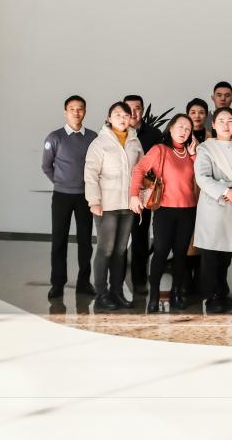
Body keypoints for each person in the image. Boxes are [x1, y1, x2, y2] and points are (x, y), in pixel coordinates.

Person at [128, 113, 198, 312]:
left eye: (187, 129)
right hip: (165, 210)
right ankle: (154, 295)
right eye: (180, 126)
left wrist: (194, 155)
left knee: (181, 255)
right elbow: (139, 170)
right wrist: (134, 195)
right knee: (160, 252)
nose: (184, 131)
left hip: (187, 210)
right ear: (171, 128)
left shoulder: (192, 153)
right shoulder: (160, 150)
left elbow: (200, 177)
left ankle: (176, 293)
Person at [83, 101, 145, 311]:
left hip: (128, 204)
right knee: (106, 249)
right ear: (109, 118)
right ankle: (102, 294)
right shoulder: (100, 143)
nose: (122, 118)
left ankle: (117, 292)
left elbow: (142, 172)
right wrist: (94, 201)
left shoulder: (135, 141)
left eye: (126, 115)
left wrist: (140, 197)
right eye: (117, 114)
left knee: (120, 251)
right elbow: (90, 173)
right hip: (107, 205)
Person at [193, 108, 232, 314]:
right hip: (215, 205)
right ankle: (212, 298)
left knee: (226, 256)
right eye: (221, 121)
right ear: (213, 124)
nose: (226, 125)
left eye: (230, 121)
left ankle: (222, 294)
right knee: (211, 255)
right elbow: (202, 177)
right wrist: (226, 191)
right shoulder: (205, 148)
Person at [43, 95, 98, 299]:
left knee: (85, 241)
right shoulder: (54, 137)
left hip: (85, 197)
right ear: (65, 112)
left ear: (85, 112)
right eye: (72, 109)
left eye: (80, 108)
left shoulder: (93, 137)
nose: (76, 112)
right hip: (62, 196)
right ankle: (57, 283)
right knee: (59, 240)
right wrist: (60, 182)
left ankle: (84, 282)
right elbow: (46, 166)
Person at [123, 94, 161, 294]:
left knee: (139, 239)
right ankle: (115, 284)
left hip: (143, 194)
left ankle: (139, 282)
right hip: (119, 194)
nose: (133, 113)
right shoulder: (115, 132)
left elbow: (158, 165)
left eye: (137, 108)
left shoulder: (154, 134)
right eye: (128, 109)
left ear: (143, 110)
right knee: (118, 241)